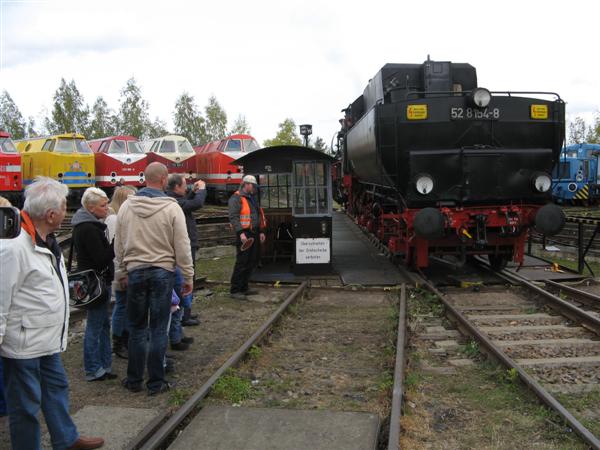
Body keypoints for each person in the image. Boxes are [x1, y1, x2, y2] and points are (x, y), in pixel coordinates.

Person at [0, 177, 104, 449]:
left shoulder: (44, 239)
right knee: (25, 406)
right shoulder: (13, 248)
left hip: (46, 340)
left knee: (56, 389)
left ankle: (66, 438)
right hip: (23, 345)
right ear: (50, 214)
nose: (65, 211)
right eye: (62, 206)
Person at [115, 162, 193, 395]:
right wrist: (188, 274)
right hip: (163, 272)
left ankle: (134, 380)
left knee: (137, 328)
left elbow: (119, 244)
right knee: (159, 329)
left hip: (136, 272)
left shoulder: (127, 207)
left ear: (144, 179)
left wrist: (121, 272)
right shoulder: (172, 208)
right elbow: (182, 244)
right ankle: (156, 383)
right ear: (163, 180)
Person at [72, 188, 115, 382]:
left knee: (102, 324)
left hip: (94, 281)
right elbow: (100, 259)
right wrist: (115, 245)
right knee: (96, 327)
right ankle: (94, 368)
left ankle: (104, 365)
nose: (107, 208)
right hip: (96, 283)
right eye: (103, 205)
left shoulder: (85, 225)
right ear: (90, 207)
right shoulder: (89, 228)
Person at [166, 174, 207, 326]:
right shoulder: (173, 202)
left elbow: (187, 201)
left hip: (187, 243)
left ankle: (186, 313)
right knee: (186, 279)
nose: (186, 188)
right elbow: (195, 204)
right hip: (184, 246)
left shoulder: (174, 199)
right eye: (184, 186)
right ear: (176, 187)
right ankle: (184, 316)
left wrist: (193, 192)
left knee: (186, 280)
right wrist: (202, 190)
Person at [104, 186, 137, 359]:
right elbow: (117, 248)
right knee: (122, 305)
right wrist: (121, 272)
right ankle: (118, 341)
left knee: (124, 305)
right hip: (121, 269)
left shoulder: (115, 217)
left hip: (124, 268)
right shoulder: (114, 220)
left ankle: (124, 338)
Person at [228, 175, 267, 300]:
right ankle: (235, 290)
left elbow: (257, 215)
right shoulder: (236, 198)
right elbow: (234, 217)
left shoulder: (251, 198)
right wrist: (241, 233)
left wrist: (260, 231)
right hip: (244, 234)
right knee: (242, 261)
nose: (255, 188)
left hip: (254, 233)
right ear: (247, 184)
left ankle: (244, 287)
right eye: (253, 186)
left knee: (252, 260)